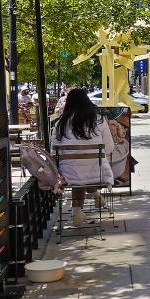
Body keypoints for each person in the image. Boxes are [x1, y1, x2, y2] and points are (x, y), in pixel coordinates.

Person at [51, 88, 115, 227]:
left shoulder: (60, 123)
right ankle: (94, 199)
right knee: (85, 170)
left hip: (69, 174)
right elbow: (109, 148)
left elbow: (53, 152)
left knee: (77, 171)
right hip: (97, 172)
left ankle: (77, 212)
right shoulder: (99, 120)